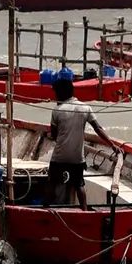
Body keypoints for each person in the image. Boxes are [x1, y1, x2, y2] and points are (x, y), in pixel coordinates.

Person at [48, 76, 116, 209]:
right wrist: (112, 145)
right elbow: (98, 128)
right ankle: (84, 210)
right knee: (79, 185)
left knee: (52, 182)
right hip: (77, 158)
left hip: (59, 156)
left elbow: (54, 135)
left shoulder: (57, 110)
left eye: (56, 93)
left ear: (60, 93)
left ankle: (47, 208)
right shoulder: (86, 108)